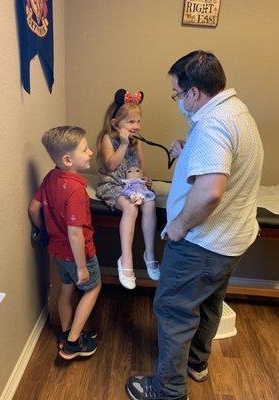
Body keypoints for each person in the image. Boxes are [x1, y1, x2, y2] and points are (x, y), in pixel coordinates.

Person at [126, 50, 264, 399]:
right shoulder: (236, 112)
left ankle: (168, 390)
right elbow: (223, 165)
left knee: (173, 310)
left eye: (177, 94)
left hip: (202, 243)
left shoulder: (212, 124)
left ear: (194, 93)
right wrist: (188, 151)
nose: (178, 101)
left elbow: (210, 192)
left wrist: (177, 228)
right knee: (208, 304)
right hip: (231, 240)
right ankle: (196, 364)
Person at [28, 126, 102, 360]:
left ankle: (67, 332)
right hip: (79, 255)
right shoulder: (77, 189)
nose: (90, 152)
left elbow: (33, 208)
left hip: (57, 253)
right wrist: (82, 266)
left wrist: (43, 231)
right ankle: (72, 344)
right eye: (85, 149)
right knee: (93, 289)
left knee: (66, 291)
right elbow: (75, 233)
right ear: (68, 159)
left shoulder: (51, 176)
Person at [96, 89, 160, 289]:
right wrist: (123, 144)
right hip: (112, 184)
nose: (136, 126)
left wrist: (144, 178)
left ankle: (149, 252)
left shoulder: (137, 140)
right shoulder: (107, 138)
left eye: (138, 121)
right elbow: (111, 165)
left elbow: (140, 165)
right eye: (131, 122)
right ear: (116, 123)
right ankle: (126, 259)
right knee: (131, 208)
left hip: (133, 184)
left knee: (150, 203)